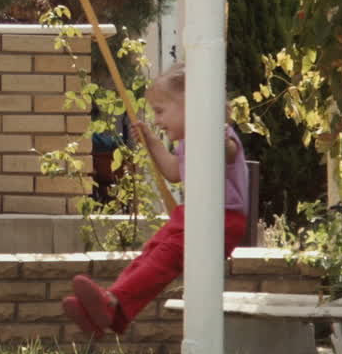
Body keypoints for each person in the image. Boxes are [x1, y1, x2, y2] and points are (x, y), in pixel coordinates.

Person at [61, 62, 249, 337]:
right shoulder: (186, 143)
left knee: (161, 259)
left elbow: (230, 153)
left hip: (221, 220)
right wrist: (152, 142)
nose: (157, 120)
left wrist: (218, 140)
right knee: (150, 253)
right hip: (195, 216)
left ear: (192, 105)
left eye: (161, 111)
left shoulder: (219, 136)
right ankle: (111, 309)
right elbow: (174, 171)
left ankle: (113, 305)